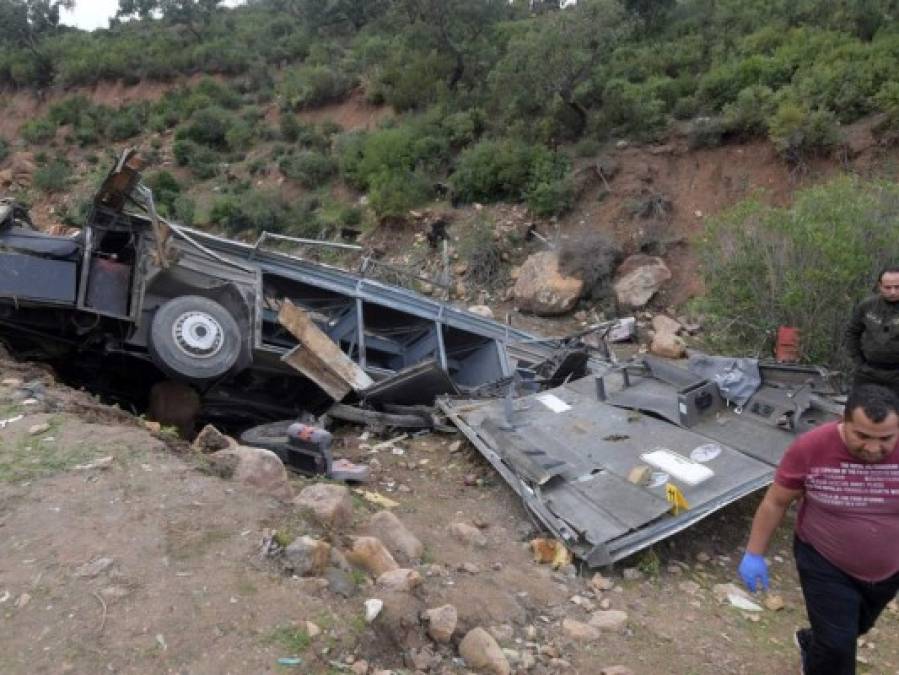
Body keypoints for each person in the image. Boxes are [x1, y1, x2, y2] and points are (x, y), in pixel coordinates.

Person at [738, 384, 899, 675]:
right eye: (862, 436)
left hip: (889, 569)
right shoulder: (811, 447)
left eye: (886, 439)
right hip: (825, 560)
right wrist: (754, 553)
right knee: (839, 646)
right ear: (842, 420)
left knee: (852, 629)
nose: (874, 448)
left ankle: (812, 642)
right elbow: (776, 501)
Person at [846, 265, 899, 397]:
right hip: (868, 372)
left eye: (897, 287)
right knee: (859, 414)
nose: (893, 292)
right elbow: (852, 333)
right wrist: (858, 362)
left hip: (896, 374)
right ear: (880, 286)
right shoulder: (866, 306)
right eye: (888, 287)